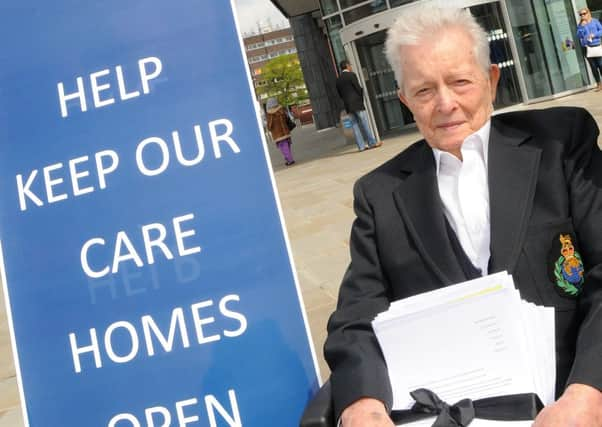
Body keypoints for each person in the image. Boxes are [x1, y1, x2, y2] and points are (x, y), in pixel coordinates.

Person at [324, 4, 602, 427]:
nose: (445, 104)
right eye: (424, 91)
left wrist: (589, 391)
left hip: (572, 403)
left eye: (460, 82)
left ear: (491, 81)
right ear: (404, 101)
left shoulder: (561, 146)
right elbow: (355, 319)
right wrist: (361, 403)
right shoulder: (379, 194)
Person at [336, 60, 382, 152]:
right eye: (350, 65)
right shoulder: (351, 75)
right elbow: (358, 88)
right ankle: (372, 143)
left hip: (348, 105)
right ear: (347, 66)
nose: (351, 67)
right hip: (357, 103)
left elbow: (340, 94)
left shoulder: (338, 79)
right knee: (364, 123)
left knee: (354, 125)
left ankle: (361, 146)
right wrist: (361, 99)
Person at [577, 7, 602, 91]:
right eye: (580, 14)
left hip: (597, 46)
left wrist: (594, 35)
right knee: (593, 67)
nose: (582, 16)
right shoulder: (580, 25)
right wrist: (582, 27)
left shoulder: (595, 21)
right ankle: (599, 84)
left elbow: (601, 31)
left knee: (601, 65)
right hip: (587, 48)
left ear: (588, 13)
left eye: (584, 13)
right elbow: (579, 36)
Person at [266, 97, 295, 166]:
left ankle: (290, 160)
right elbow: (286, 119)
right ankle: (288, 159)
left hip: (278, 134)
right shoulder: (282, 110)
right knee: (287, 146)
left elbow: (269, 126)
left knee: (283, 147)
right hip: (286, 132)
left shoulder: (270, 114)